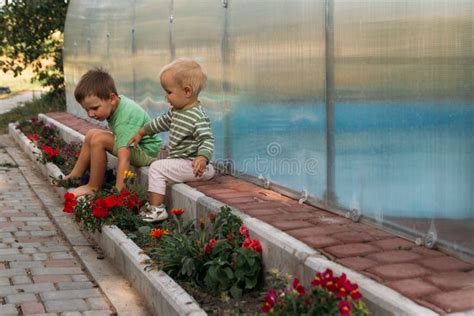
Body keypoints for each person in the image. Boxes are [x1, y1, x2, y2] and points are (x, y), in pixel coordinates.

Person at [128, 58, 215, 222]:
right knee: (162, 165)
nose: (166, 97)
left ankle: (157, 209)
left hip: (194, 166)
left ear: (187, 91)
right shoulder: (176, 111)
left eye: (169, 92)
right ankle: (153, 205)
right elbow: (160, 123)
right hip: (183, 162)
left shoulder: (198, 116)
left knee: (157, 167)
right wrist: (142, 132)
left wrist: (202, 158)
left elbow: (207, 140)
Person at [61, 68, 162, 197]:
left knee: (99, 140)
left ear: (112, 99)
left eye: (95, 108)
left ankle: (93, 187)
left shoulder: (125, 119)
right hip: (137, 146)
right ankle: (75, 175)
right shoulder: (116, 103)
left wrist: (119, 191)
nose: (90, 114)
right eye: (86, 110)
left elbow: (124, 157)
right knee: (92, 133)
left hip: (146, 152)